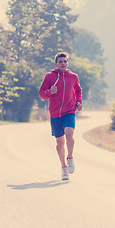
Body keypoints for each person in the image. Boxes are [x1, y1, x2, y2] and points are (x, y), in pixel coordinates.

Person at [38, 52, 82, 180]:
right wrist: (49, 92)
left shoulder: (73, 77)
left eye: (65, 61)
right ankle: (63, 168)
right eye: (60, 61)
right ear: (56, 63)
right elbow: (41, 93)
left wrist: (78, 102)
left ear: (67, 63)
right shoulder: (49, 76)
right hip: (55, 113)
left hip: (69, 111)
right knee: (59, 141)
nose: (63, 63)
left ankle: (70, 158)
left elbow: (78, 90)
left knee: (69, 134)